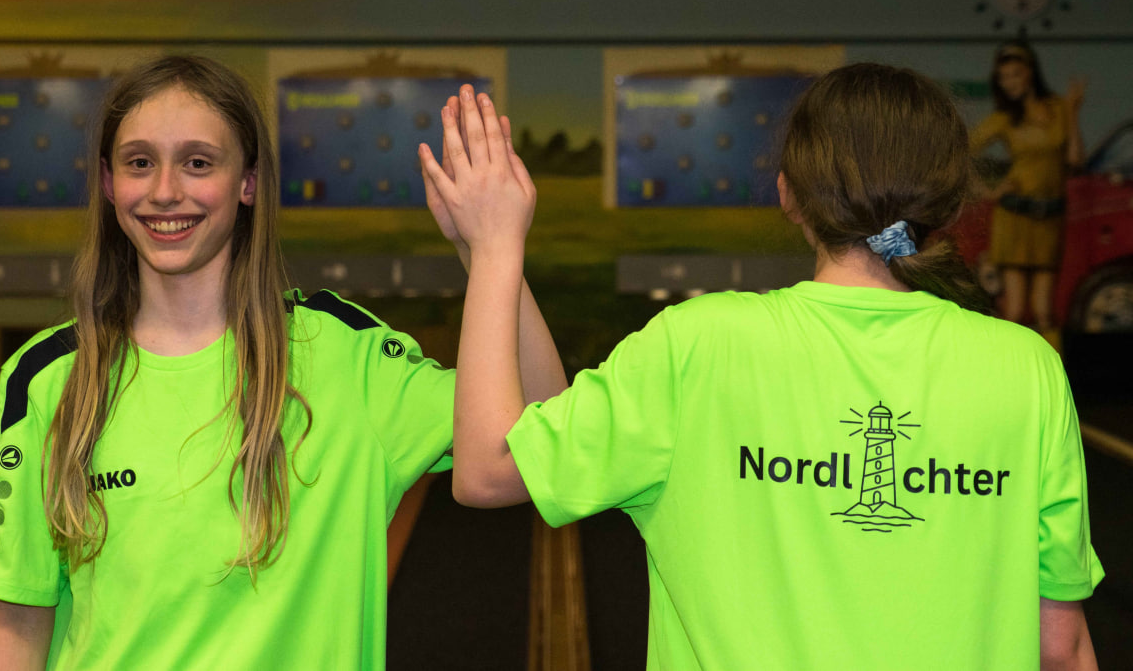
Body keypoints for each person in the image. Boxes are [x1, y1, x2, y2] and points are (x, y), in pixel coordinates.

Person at [421, 66, 1103, 670]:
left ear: (788, 194)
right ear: (950, 203)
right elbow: (1060, 647)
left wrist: (493, 248)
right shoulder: (1028, 370)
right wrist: (487, 252)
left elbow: (488, 469)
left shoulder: (699, 345)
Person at [0, 57, 565, 669]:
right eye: (139, 162)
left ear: (247, 182)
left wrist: (488, 250)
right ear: (109, 183)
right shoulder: (50, 378)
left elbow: (540, 436)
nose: (165, 190)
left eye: (198, 162)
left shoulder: (344, 357)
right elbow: (18, 619)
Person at [971, 41, 1086, 330]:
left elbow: (1075, 159)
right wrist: (989, 190)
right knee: (1015, 309)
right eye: (1003, 77)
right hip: (1015, 216)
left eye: (1015, 74)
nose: (1010, 82)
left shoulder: (1058, 107)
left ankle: (1050, 360)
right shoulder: (1004, 119)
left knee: (1045, 312)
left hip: (1050, 217)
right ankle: (1008, 360)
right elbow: (963, 151)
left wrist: (1073, 112)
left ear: (1030, 72)